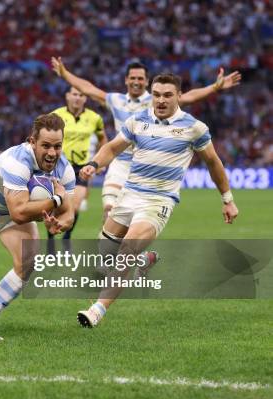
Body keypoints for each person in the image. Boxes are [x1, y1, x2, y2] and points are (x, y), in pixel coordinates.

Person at [77, 73, 239, 328]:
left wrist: (227, 199)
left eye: (167, 95)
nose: (161, 100)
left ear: (178, 96)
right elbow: (112, 148)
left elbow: (213, 163)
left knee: (127, 250)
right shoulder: (137, 120)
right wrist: (94, 164)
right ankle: (144, 260)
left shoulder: (193, 128)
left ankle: (97, 310)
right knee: (106, 252)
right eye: (156, 95)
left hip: (158, 201)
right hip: (129, 195)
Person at [51, 57, 241, 221]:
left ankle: (126, 254)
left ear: (146, 81)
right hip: (120, 164)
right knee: (110, 212)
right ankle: (112, 255)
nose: (136, 81)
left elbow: (189, 96)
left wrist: (215, 87)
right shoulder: (115, 100)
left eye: (140, 78)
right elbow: (88, 88)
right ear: (126, 80)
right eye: (132, 78)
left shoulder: (157, 99)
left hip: (147, 166)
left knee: (136, 219)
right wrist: (64, 73)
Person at [0, 113, 75, 340]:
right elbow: (19, 212)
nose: (52, 153)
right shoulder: (16, 162)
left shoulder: (64, 169)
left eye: (57, 146)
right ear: (32, 142)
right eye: (46, 145)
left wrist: (60, 224)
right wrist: (55, 201)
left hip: (17, 212)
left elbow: (69, 212)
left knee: (29, 262)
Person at [49, 86, 107, 241]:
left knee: (74, 206)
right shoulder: (56, 115)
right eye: (74, 94)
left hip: (82, 167)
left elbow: (103, 139)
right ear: (68, 96)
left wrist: (100, 162)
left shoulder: (95, 118)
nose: (77, 98)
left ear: (85, 98)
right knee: (56, 204)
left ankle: (67, 237)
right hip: (58, 167)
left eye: (81, 95)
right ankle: (50, 239)